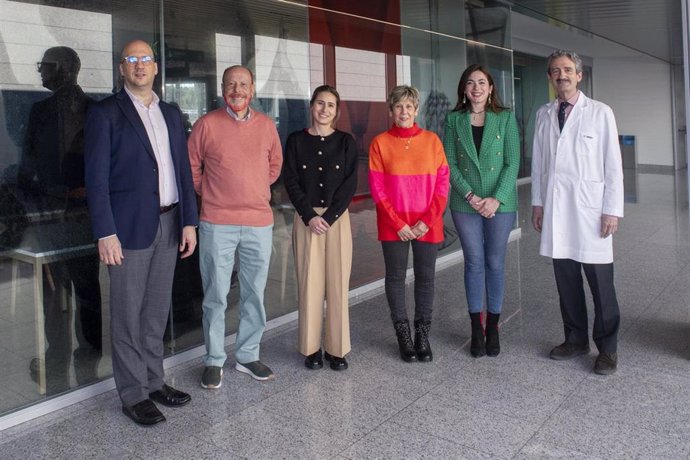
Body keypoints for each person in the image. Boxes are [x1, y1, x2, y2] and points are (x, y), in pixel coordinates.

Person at [85, 40, 199, 425]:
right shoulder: (106, 114)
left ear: (155, 67)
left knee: (155, 312)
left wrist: (188, 220)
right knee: (127, 315)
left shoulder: (169, 112)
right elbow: (96, 180)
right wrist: (105, 232)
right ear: (122, 68)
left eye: (145, 59)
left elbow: (182, 171)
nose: (139, 65)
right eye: (131, 59)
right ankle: (133, 393)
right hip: (127, 229)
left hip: (169, 222)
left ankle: (154, 381)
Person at [188, 65, 282, 388]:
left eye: (243, 84)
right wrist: (210, 192)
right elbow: (191, 166)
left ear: (252, 89)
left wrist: (253, 187)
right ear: (222, 89)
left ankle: (247, 355)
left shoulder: (268, 126)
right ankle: (214, 359)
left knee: (254, 292)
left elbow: (274, 166)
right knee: (215, 293)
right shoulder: (206, 125)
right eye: (231, 84)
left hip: (258, 222)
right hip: (217, 222)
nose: (237, 90)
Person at [531, 50, 624, 375]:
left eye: (568, 70)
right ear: (550, 77)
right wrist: (538, 203)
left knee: (601, 285)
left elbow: (613, 166)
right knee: (566, 282)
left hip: (591, 213)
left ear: (579, 75)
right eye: (556, 71)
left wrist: (611, 210)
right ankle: (575, 339)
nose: (562, 75)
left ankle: (608, 349)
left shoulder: (600, 113)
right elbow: (539, 164)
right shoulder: (544, 114)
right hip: (558, 213)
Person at [19, 46, 103, 390]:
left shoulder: (97, 112)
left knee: (86, 289)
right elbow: (28, 168)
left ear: (69, 68)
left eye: (46, 66)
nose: (41, 72)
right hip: (51, 217)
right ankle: (58, 362)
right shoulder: (40, 111)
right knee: (56, 295)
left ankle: (90, 355)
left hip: (83, 216)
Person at [443, 64, 520, 358]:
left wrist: (495, 199)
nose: (476, 87)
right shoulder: (454, 120)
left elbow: (513, 162)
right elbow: (448, 162)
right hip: (466, 203)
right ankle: (476, 327)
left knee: (495, 263)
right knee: (474, 262)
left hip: (500, 204)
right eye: (471, 83)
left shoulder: (505, 118)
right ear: (464, 88)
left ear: (490, 89)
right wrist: (473, 196)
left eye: (482, 83)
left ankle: (494, 327)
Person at [369, 85, 449, 363]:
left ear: (417, 110)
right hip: (394, 224)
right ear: (391, 110)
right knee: (395, 278)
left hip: (428, 223)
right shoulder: (380, 143)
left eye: (409, 107)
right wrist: (398, 223)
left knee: (426, 279)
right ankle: (403, 334)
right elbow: (377, 188)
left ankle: (422, 334)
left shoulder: (433, 141)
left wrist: (426, 222)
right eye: (398, 106)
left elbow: (442, 186)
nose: (404, 111)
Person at [283, 85, 358, 371]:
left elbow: (350, 183)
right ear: (311, 106)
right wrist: (309, 215)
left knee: (337, 284)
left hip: (336, 221)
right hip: (307, 221)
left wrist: (330, 215)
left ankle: (337, 349)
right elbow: (290, 180)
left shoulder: (346, 142)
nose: (324, 109)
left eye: (330, 105)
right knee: (310, 285)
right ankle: (311, 348)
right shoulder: (295, 141)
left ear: (337, 112)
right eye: (320, 103)